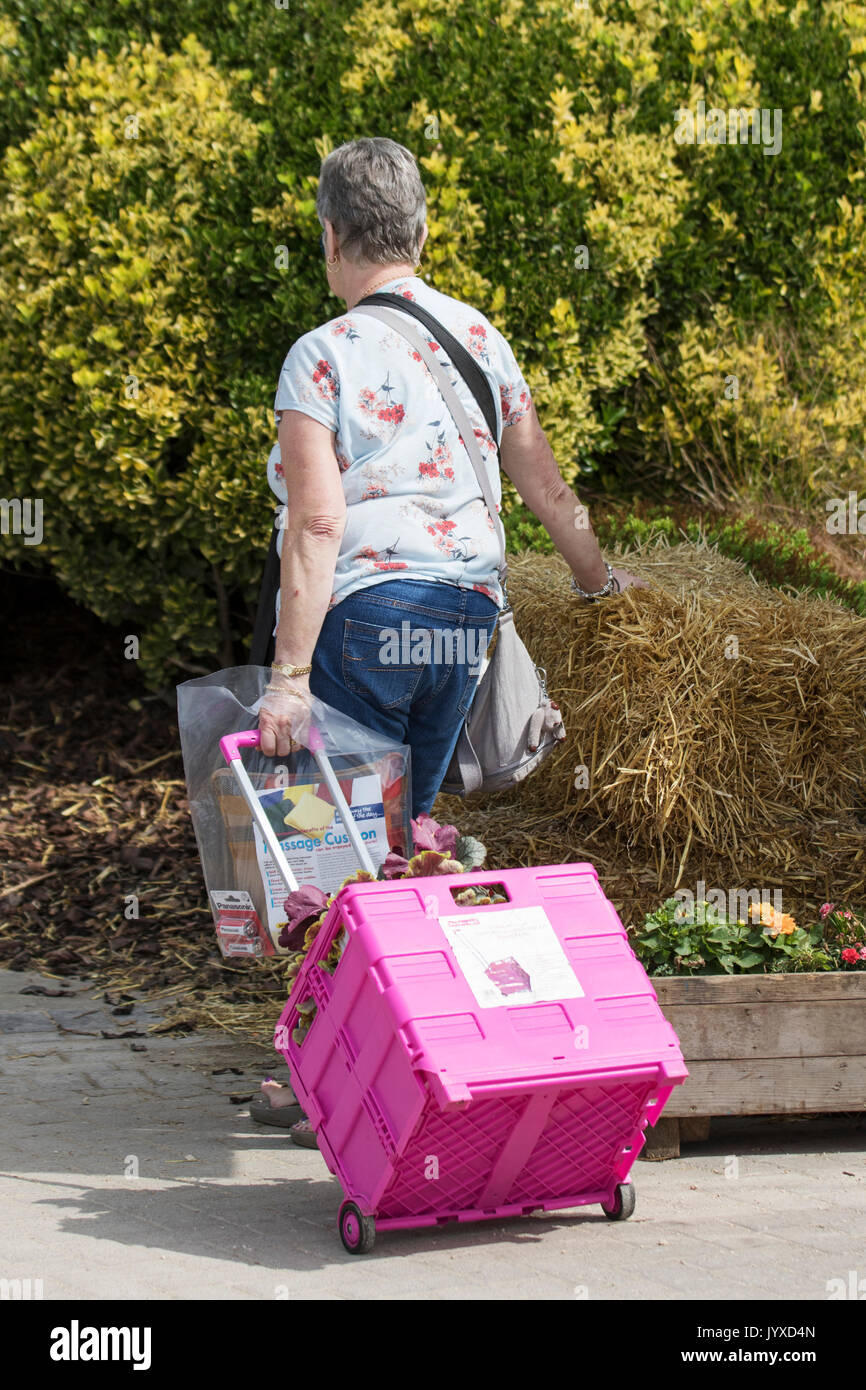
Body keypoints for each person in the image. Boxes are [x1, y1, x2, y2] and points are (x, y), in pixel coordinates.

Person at [252, 136, 646, 1141]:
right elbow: (543, 487)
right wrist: (600, 582)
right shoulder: (478, 334)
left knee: (329, 852)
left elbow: (317, 525)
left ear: (330, 237)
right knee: (399, 850)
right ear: (418, 233)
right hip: (464, 624)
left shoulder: (320, 355)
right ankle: (396, 1060)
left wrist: (289, 678)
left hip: (369, 617)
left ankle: (319, 1072)